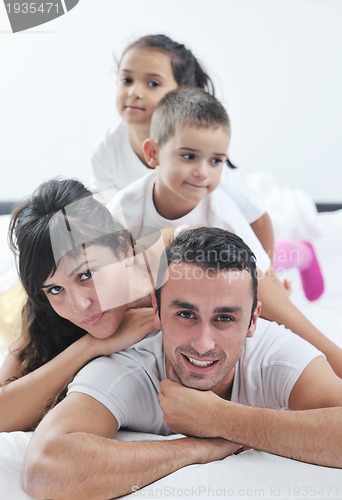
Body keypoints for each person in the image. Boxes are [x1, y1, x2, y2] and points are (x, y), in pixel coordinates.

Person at [21, 227, 342, 500]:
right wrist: (195, 448)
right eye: (185, 314)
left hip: (257, 264)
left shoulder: (273, 350)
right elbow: (45, 469)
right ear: (157, 312)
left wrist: (223, 419)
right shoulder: (129, 365)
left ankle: (302, 252)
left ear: (253, 320)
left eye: (225, 318)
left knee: (278, 266)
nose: (203, 344)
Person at [108, 86, 338, 375]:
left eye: (216, 161)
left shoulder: (221, 212)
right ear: (153, 153)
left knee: (274, 274)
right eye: (189, 157)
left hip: (239, 259)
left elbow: (259, 272)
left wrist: (275, 285)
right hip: (183, 277)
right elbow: (112, 280)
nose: (203, 171)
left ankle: (302, 253)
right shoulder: (125, 209)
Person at [90, 33, 275, 259]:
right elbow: (108, 223)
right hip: (162, 247)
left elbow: (259, 219)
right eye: (127, 80)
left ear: (182, 92)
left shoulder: (205, 168)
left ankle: (302, 251)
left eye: (152, 83)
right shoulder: (108, 148)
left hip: (217, 240)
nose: (135, 92)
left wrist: (272, 270)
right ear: (152, 154)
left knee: (282, 231)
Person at [0, 178, 159, 432]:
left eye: (86, 274)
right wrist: (91, 346)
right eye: (55, 289)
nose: (80, 305)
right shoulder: (44, 312)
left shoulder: (170, 273)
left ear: (123, 249)